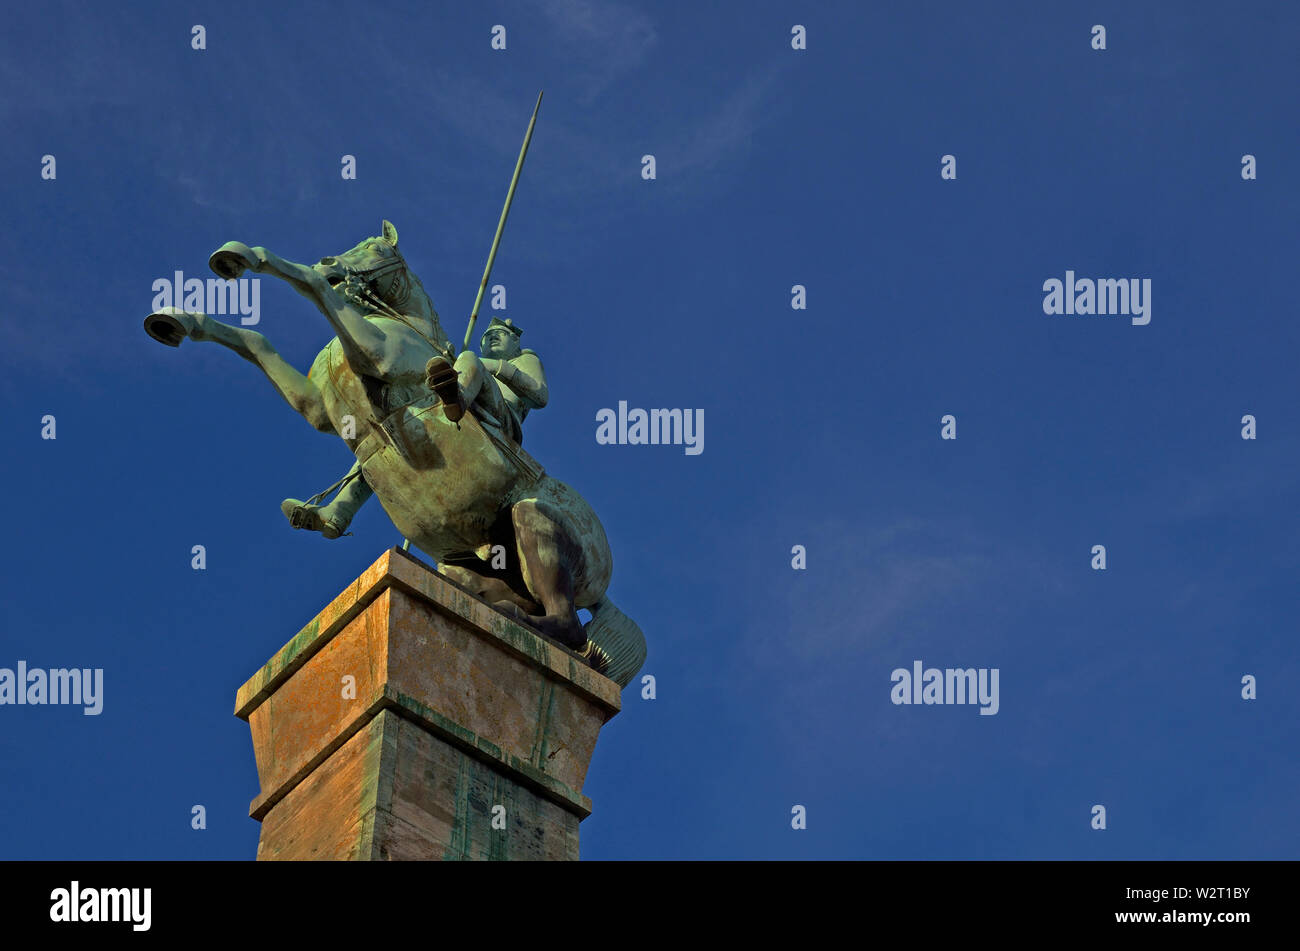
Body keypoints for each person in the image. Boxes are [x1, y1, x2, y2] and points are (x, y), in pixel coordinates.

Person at [281, 317, 547, 539]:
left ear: (516, 341)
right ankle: (340, 509)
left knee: (469, 359)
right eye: (488, 335)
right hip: (466, 418)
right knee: (391, 432)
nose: (493, 337)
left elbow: (540, 396)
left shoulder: (523, 359)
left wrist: (493, 366)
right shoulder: (474, 361)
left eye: (500, 333)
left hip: (501, 423)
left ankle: (458, 399)